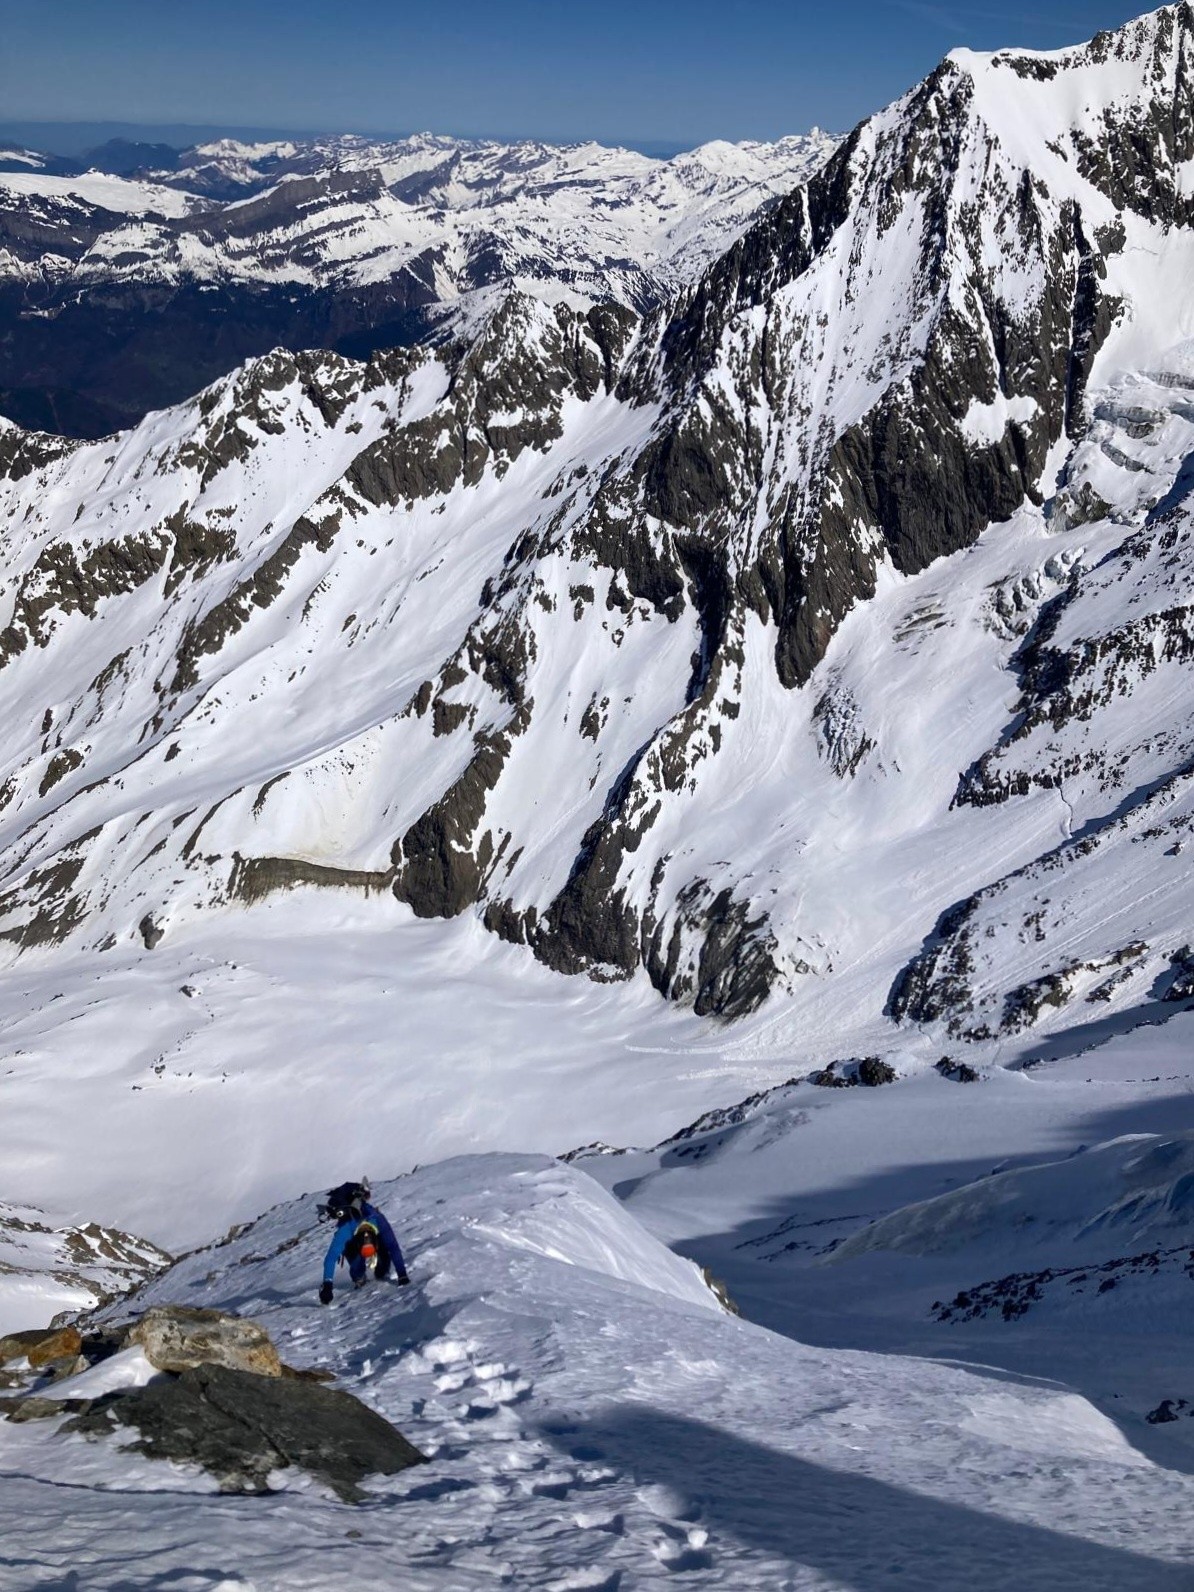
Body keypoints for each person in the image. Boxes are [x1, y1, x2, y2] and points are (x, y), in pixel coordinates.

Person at [318, 1180, 409, 1304]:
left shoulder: (378, 1220)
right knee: (355, 1260)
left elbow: (392, 1247)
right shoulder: (346, 1228)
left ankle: (379, 1271)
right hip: (354, 1242)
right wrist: (327, 1284)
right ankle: (358, 1277)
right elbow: (332, 1256)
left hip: (375, 1239)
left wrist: (402, 1274)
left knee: (383, 1265)